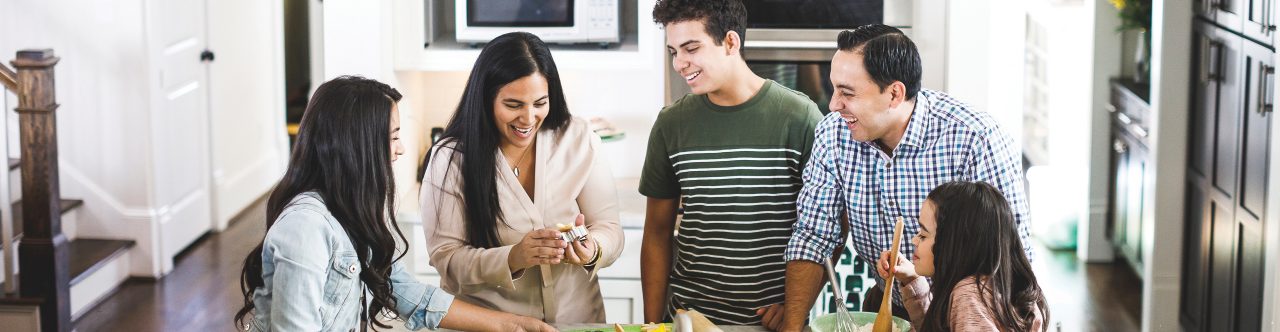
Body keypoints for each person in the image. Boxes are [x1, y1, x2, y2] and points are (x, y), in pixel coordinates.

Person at [233, 76, 554, 331]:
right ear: (357, 145)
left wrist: (511, 325)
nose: (400, 149)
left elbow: (404, 292)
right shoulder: (306, 227)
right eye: (393, 136)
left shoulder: (354, 213)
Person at [777, 24, 1033, 331]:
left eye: (847, 93)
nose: (833, 105)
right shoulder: (833, 135)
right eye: (834, 89)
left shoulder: (976, 139)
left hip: (965, 315)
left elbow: (1011, 264)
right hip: (887, 306)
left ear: (894, 94)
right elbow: (813, 236)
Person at [641, 0, 823, 326]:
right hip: (686, 320)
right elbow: (656, 232)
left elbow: (829, 226)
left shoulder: (800, 117)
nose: (679, 63)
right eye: (673, 51)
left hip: (771, 323)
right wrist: (652, 325)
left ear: (730, 42)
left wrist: (797, 305)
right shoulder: (671, 124)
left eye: (691, 48)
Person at [420, 31, 624, 323]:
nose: (528, 119)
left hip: (577, 322)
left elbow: (609, 227)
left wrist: (593, 247)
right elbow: (447, 258)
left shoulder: (579, 138)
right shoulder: (451, 158)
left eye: (540, 103)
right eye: (513, 105)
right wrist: (514, 257)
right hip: (491, 326)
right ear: (485, 99)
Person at [877, 181, 1049, 332]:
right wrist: (912, 280)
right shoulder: (994, 287)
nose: (914, 240)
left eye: (923, 234)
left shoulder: (969, 295)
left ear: (954, 244)